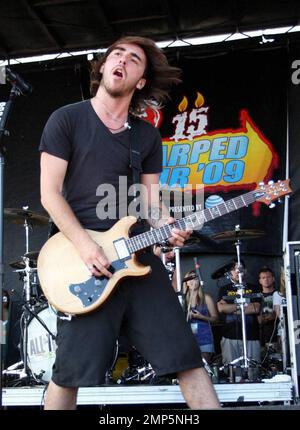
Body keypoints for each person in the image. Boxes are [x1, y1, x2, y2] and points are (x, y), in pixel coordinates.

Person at [39, 35, 219, 409]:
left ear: (140, 81)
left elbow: (150, 204)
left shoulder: (146, 137)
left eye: (133, 58)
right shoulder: (67, 119)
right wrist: (87, 247)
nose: (121, 60)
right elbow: (50, 194)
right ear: (103, 67)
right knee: (68, 372)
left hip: (136, 257)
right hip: (83, 258)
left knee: (187, 358)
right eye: (115, 54)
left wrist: (170, 224)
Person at [217, 260, 261, 381]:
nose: (237, 271)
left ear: (245, 271)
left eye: (240, 269)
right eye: (234, 269)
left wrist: (232, 308)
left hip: (251, 336)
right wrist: (242, 306)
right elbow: (221, 308)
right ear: (230, 272)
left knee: (253, 373)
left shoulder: (254, 288)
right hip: (229, 336)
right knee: (233, 373)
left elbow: (256, 308)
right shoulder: (224, 289)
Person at [184, 271, 218, 364]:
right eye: (189, 279)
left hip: (204, 339)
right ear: (186, 282)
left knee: (205, 367)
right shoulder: (183, 299)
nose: (192, 281)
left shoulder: (206, 297)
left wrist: (201, 316)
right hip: (188, 340)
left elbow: (215, 319)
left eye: (195, 278)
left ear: (199, 281)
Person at [257, 267, 278, 347]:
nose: (266, 280)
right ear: (260, 281)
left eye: (268, 277)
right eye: (263, 278)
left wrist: (275, 315)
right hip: (261, 337)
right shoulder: (256, 297)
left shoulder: (280, 294)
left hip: (277, 335)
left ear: (273, 279)